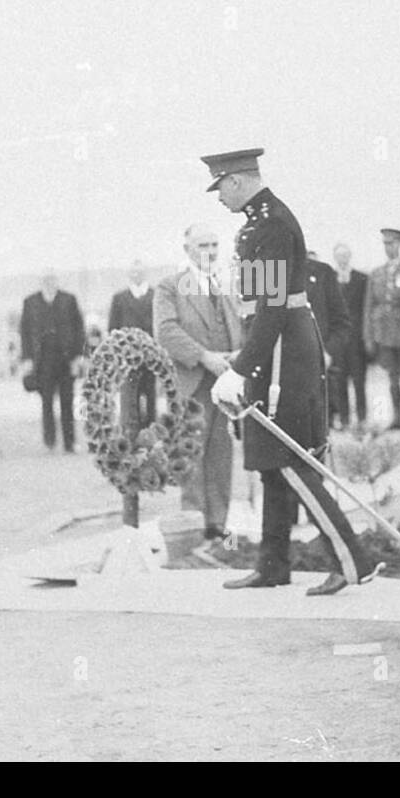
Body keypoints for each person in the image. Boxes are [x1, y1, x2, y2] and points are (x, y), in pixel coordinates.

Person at [203, 148, 380, 596]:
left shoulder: (274, 225)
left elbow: (275, 305)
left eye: (221, 186)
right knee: (269, 463)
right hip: (273, 345)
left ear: (239, 181)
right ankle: (273, 564)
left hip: (283, 352)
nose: (219, 197)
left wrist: (243, 367)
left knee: (292, 461)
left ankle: (351, 559)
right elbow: (261, 306)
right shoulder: (259, 223)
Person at [153, 224, 243, 558]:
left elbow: (237, 327)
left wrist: (236, 356)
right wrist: (204, 357)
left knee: (221, 454)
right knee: (191, 456)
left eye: (214, 244)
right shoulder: (171, 286)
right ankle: (193, 529)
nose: (210, 251)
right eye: (202, 245)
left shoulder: (223, 285)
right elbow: (166, 331)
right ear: (187, 250)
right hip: (191, 384)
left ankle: (219, 527)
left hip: (224, 383)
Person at [363, 228, 400, 429]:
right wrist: (369, 336)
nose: (389, 248)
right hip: (385, 333)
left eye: (393, 243)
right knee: (392, 376)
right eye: (386, 244)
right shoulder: (377, 274)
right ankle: (397, 417)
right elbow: (369, 307)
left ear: (399, 244)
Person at [20, 272, 86, 452]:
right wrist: (26, 359)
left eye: (52, 279)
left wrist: (79, 357)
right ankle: (49, 441)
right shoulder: (30, 302)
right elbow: (25, 333)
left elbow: (79, 329)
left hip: (66, 360)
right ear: (41, 282)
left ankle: (69, 443)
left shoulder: (69, 300)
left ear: (57, 281)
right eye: (46, 280)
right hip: (43, 362)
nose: (49, 283)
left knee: (67, 401)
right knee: (46, 402)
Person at [107, 259, 156, 425]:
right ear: (129, 275)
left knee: (151, 398)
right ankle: (131, 437)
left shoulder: (155, 296)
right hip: (127, 358)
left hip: (151, 357)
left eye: (140, 272)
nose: (137, 275)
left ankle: (151, 433)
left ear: (145, 273)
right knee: (129, 399)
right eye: (134, 272)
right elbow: (113, 329)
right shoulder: (120, 298)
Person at [304, 250, 351, 419]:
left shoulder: (322, 273)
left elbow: (341, 323)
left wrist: (328, 352)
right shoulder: (271, 271)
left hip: (319, 366)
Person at [330, 243, 368, 428]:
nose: (342, 259)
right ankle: (344, 419)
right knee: (340, 381)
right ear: (335, 258)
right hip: (339, 340)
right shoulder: (329, 279)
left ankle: (362, 418)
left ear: (350, 256)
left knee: (359, 380)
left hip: (356, 339)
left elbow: (366, 308)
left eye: (345, 255)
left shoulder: (361, 278)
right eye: (339, 256)